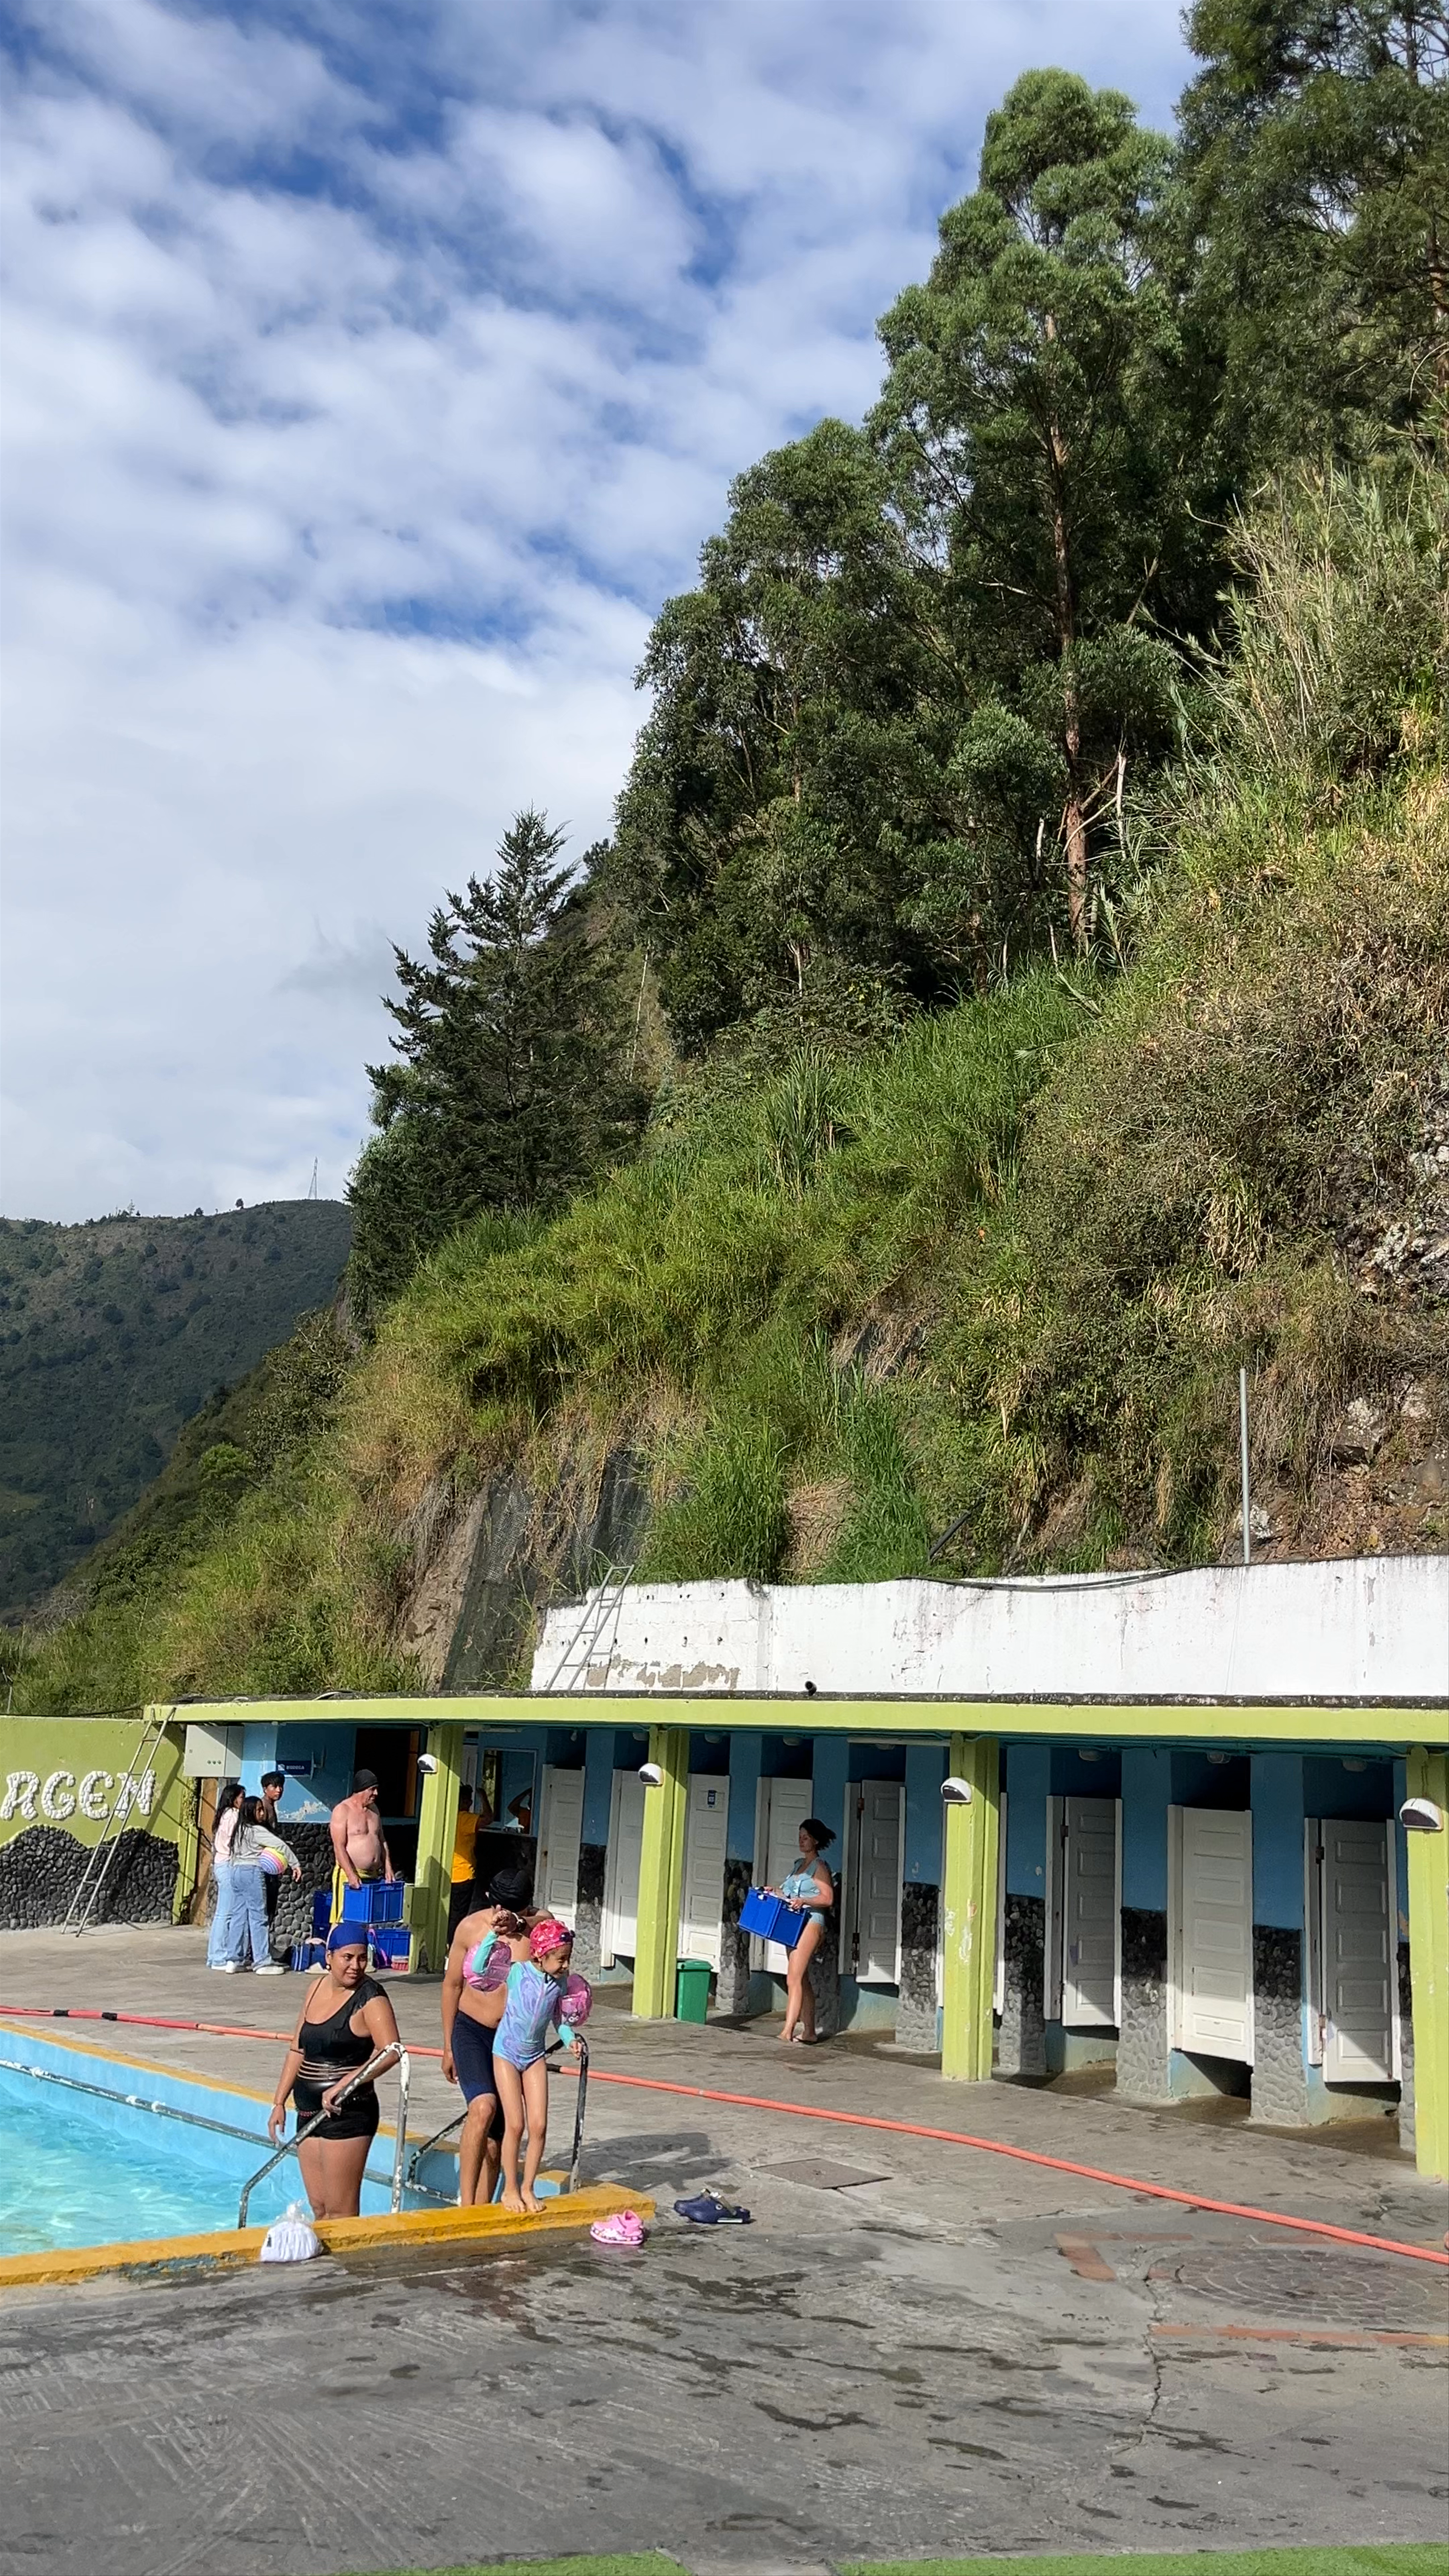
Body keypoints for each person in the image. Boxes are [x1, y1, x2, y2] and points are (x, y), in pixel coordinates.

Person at [266, 1925, 402, 2218]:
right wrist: (279, 2102)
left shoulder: (371, 1998)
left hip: (347, 2114)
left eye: (363, 1958)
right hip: (307, 2111)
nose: (356, 1966)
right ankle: (327, 2266)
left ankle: (349, 2265)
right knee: (320, 2208)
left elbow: (391, 2050)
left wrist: (344, 2085)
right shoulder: (315, 1989)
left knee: (341, 2211)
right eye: (348, 1957)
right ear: (329, 1957)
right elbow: (297, 2049)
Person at [439, 1902, 529, 2206]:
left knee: (497, 2139)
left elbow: (550, 1927)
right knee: (482, 2107)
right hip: (471, 2030)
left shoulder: (534, 1928)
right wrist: (448, 2046)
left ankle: (482, 2207)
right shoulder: (470, 1927)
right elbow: (452, 1986)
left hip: (509, 2040)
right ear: (493, 1900)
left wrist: (520, 1920)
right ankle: (465, 2203)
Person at [493, 1917, 577, 2213]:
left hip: (534, 2055)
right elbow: (479, 1969)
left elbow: (559, 2019)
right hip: (506, 2052)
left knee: (539, 2125)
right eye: (561, 1959)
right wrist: (493, 1937)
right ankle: (510, 2189)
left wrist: (570, 2040)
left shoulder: (560, 1981)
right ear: (541, 1955)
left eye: (568, 1959)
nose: (566, 1965)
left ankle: (528, 2187)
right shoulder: (518, 1973)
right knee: (515, 2124)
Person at [215, 1797, 301, 1974]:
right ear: (250, 1812)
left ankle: (234, 1959)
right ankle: (262, 1961)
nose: (262, 1814)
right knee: (258, 1917)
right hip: (252, 1872)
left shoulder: (239, 1831)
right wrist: (295, 1864)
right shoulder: (256, 1831)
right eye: (259, 1810)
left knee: (239, 1916)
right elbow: (280, 1845)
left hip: (235, 1872)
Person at [771, 1817, 836, 2045]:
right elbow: (790, 1893)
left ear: (816, 1841)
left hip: (811, 1922)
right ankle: (809, 2031)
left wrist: (804, 1900)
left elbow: (827, 1898)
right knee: (802, 1978)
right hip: (794, 1923)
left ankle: (788, 2030)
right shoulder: (799, 1865)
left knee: (793, 1977)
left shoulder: (820, 1867)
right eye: (800, 1837)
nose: (802, 1841)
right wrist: (776, 1892)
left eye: (806, 1837)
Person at [329, 1768, 394, 1921]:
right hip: (350, 1873)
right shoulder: (342, 1810)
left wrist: (388, 1867)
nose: (376, 1793)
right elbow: (339, 1846)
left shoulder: (375, 1810)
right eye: (372, 1789)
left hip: (373, 1875)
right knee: (343, 1920)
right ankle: (335, 1945)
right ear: (361, 1790)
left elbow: (382, 1840)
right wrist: (351, 1874)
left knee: (366, 1920)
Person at [205, 1779, 246, 1969]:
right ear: (234, 1799)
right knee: (226, 1913)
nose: (243, 1801)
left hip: (221, 1863)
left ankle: (215, 1956)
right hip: (229, 1864)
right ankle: (219, 1956)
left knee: (223, 1913)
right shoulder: (233, 1815)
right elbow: (233, 1841)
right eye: (241, 1797)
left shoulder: (223, 1815)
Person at [259, 1769, 288, 1948]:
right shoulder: (262, 1808)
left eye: (281, 1787)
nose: (279, 1790)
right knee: (266, 1907)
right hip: (265, 1866)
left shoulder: (271, 1807)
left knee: (271, 1907)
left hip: (271, 1866)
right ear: (265, 1788)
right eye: (275, 1786)